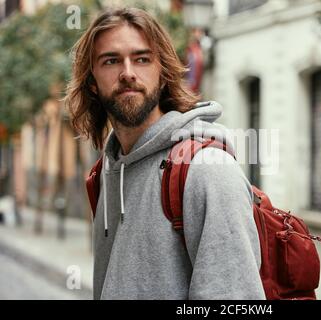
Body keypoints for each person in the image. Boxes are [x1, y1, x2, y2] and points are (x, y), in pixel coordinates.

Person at [65, 7, 265, 300]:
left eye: (142, 59)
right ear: (92, 82)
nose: (128, 73)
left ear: (162, 73)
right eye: (111, 61)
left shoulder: (207, 170)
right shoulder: (106, 174)